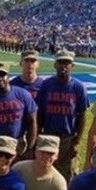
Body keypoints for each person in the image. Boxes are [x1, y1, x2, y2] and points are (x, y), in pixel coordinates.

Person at [35, 50, 90, 182]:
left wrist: (77, 141)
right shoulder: (47, 84)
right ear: (55, 65)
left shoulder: (78, 87)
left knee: (66, 174)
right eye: (60, 62)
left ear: (72, 66)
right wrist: (39, 134)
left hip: (68, 137)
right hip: (48, 135)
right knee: (44, 171)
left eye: (67, 63)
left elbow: (82, 116)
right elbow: (40, 112)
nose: (63, 66)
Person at [0, 62, 37, 159]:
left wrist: (30, 147)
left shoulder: (23, 94)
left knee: (18, 171)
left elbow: (32, 122)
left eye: (3, 75)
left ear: (8, 77)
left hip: (18, 143)